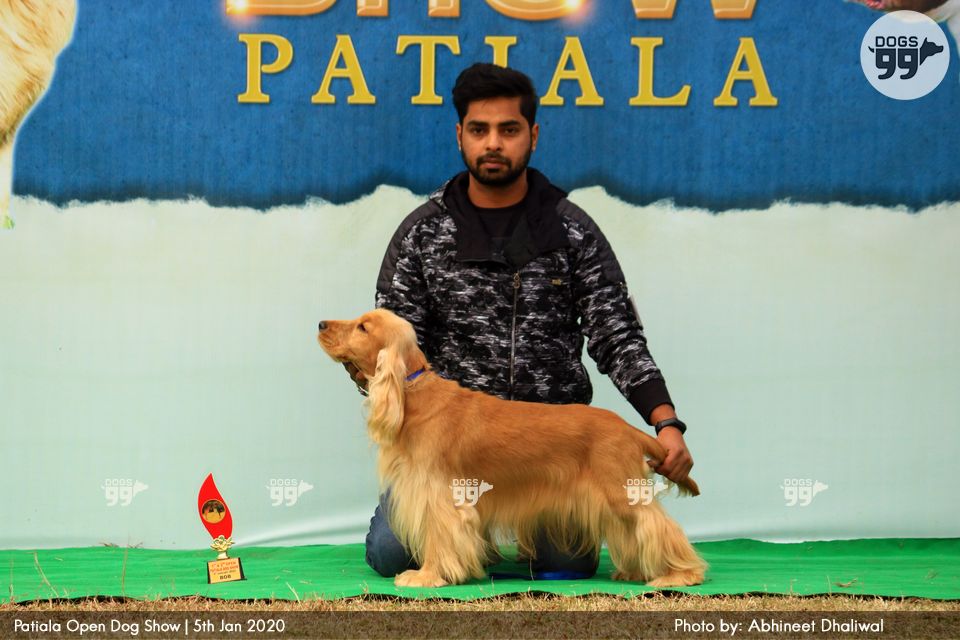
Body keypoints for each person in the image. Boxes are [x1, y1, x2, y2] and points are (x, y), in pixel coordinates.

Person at [349, 62, 693, 579]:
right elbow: (386, 345)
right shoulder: (421, 233)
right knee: (390, 553)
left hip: (549, 455)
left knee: (567, 566)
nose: (493, 143)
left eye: (508, 129)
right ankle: (466, 540)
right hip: (446, 455)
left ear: (532, 135)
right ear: (459, 136)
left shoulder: (574, 231)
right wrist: (371, 378)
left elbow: (617, 336)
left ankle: (508, 541)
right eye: (479, 129)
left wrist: (665, 422)